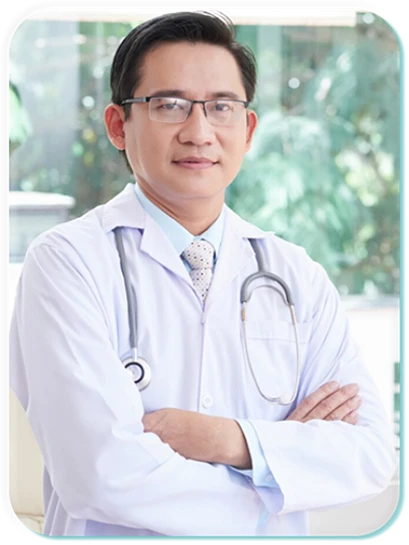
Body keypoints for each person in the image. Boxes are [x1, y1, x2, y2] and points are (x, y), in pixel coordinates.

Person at [9, 10, 397, 537]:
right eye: (169, 105)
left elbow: (369, 453)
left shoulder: (296, 275)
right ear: (119, 126)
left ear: (248, 129)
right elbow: (100, 476)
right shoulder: (66, 263)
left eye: (221, 107)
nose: (199, 132)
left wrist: (226, 439)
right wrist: (278, 475)